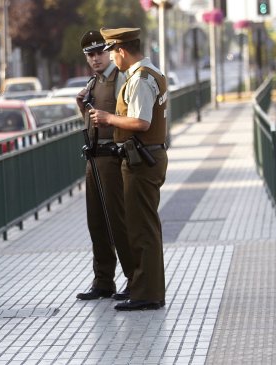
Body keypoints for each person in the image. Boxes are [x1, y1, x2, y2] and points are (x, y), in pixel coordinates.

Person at [89, 27, 169, 311]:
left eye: (111, 51)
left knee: (141, 229)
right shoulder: (151, 74)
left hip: (142, 161)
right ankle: (146, 289)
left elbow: (141, 122)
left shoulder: (140, 79)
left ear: (121, 50)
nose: (111, 57)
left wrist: (109, 118)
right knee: (143, 227)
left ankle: (147, 294)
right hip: (146, 157)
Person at [75, 30, 135, 301]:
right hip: (94, 158)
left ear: (109, 52)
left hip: (113, 157)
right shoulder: (93, 83)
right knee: (96, 223)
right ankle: (103, 280)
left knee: (118, 221)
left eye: (99, 52)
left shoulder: (120, 78)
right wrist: (81, 105)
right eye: (90, 54)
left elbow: (129, 119)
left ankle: (134, 278)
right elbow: (92, 122)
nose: (95, 58)